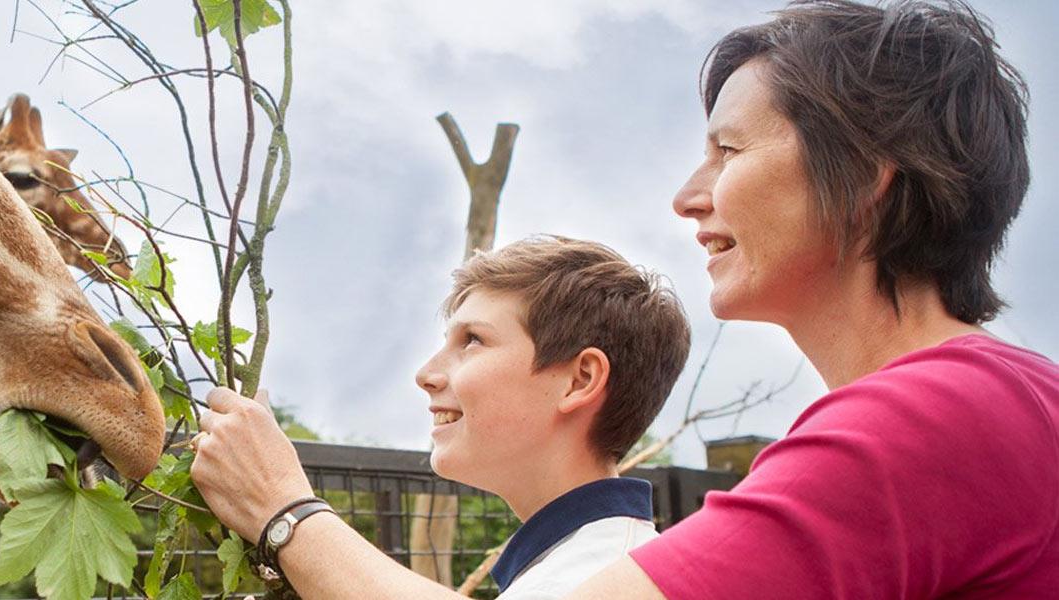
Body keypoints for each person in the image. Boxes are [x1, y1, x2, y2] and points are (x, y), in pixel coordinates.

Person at [193, 1, 1058, 598]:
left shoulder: (930, 418)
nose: (689, 195)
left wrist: (285, 510)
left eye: (728, 150)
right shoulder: (991, 402)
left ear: (866, 178)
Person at [192, 236, 691, 599]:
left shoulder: (615, 572)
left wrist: (283, 508)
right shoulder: (576, 561)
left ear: (579, 380)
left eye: (472, 340)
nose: (426, 374)